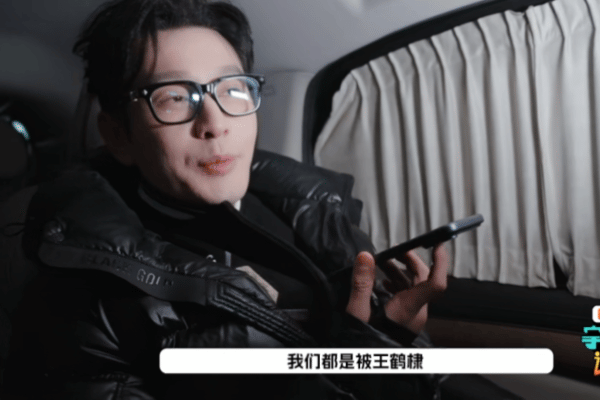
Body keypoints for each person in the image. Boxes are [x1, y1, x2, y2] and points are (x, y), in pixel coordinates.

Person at [1, 0, 455, 399]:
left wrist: (391, 336)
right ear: (119, 135)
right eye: (175, 98)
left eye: (232, 89)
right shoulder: (82, 299)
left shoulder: (318, 211)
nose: (215, 123)